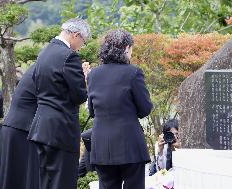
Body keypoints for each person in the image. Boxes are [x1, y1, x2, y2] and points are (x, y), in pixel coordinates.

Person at [27, 18, 91, 189]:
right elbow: (79, 96)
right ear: (76, 35)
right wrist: (84, 79)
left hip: (41, 126)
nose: (81, 46)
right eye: (82, 42)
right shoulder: (69, 56)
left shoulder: (44, 53)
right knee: (63, 182)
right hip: (61, 129)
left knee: (45, 182)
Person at [87, 29, 153, 189]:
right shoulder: (133, 72)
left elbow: (92, 111)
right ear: (126, 48)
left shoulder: (93, 74)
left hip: (102, 145)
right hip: (129, 143)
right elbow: (145, 109)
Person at [0, 64, 39, 189]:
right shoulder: (40, 73)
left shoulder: (33, 74)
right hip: (20, 130)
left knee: (11, 178)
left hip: (15, 128)